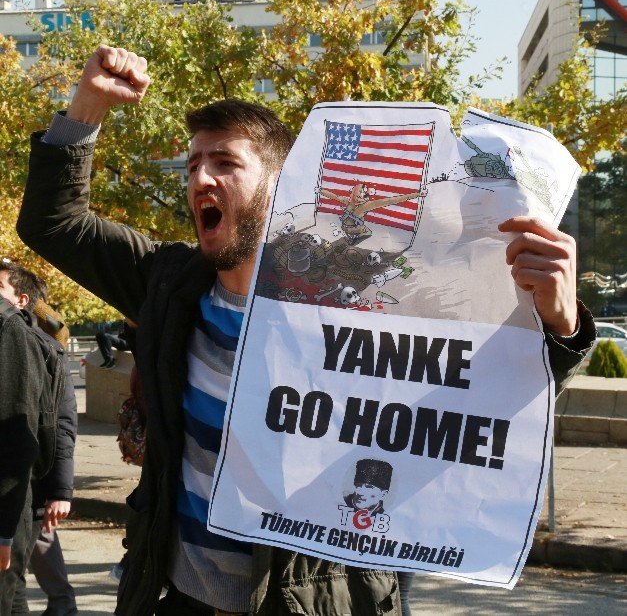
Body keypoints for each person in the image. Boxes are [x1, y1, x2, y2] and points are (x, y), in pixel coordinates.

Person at [18, 45, 595, 616]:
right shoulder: (168, 283)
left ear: (280, 185)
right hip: (180, 600)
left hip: (315, 600)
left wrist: (560, 322)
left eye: (224, 163)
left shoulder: (360, 303)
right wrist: (87, 105)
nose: (200, 179)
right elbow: (54, 222)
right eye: (192, 166)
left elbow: (484, 392)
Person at [0, 262, 78, 616]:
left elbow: (61, 424)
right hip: (21, 488)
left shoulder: (38, 348)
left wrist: (60, 491)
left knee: (15, 573)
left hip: (28, 485)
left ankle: (64, 606)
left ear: (21, 301)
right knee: (15, 581)